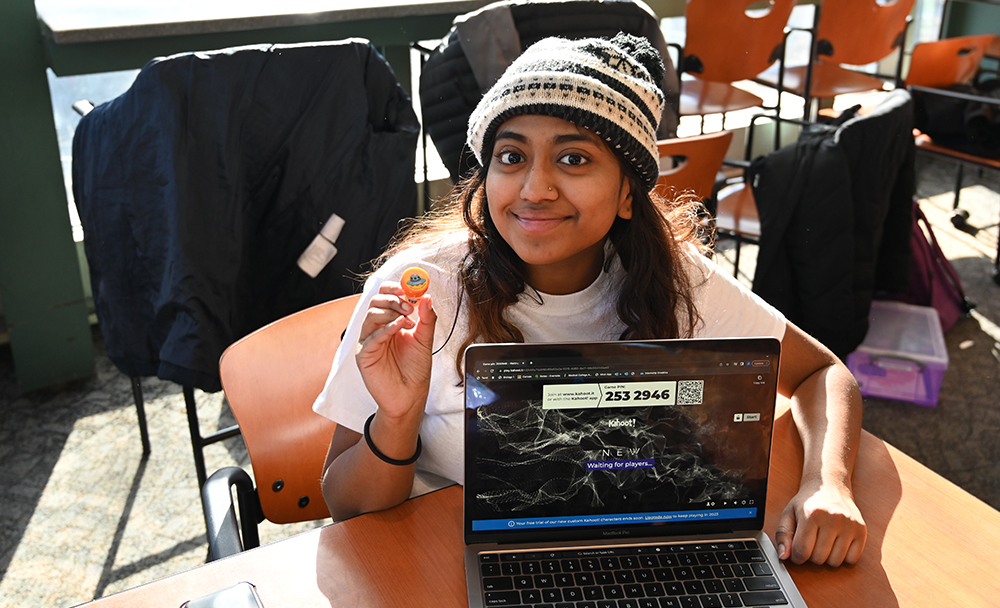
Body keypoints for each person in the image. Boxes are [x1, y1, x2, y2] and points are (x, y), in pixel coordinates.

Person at [314, 33, 867, 567]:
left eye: (573, 159)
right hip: (450, 562)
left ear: (628, 192)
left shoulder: (673, 280)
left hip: (642, 552)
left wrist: (830, 484)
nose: (534, 188)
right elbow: (345, 504)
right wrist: (397, 415)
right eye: (510, 157)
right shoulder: (422, 292)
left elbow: (823, 373)